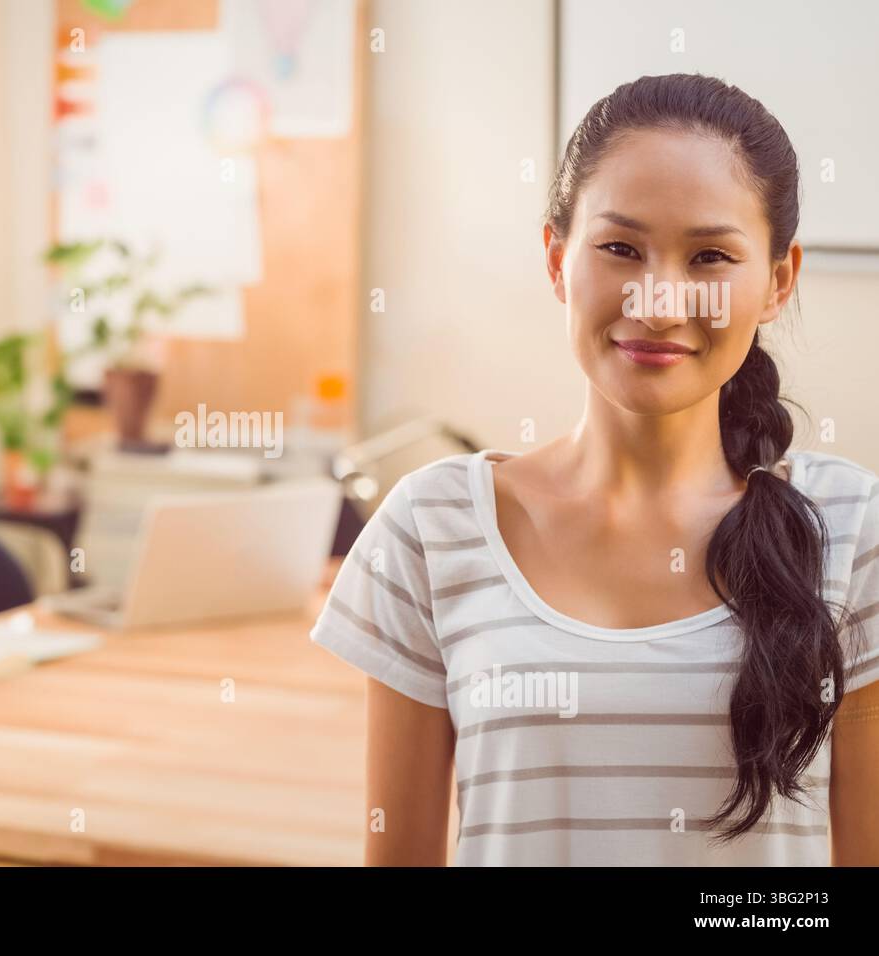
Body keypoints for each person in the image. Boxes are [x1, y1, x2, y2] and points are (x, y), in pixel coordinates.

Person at [310, 73, 879, 866]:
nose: (657, 303)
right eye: (620, 248)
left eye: (710, 255)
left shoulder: (853, 530)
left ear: (778, 280)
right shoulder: (431, 527)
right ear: (556, 258)